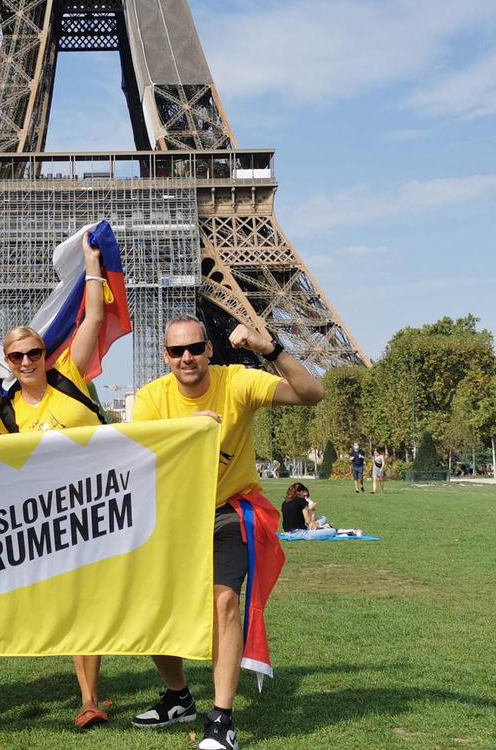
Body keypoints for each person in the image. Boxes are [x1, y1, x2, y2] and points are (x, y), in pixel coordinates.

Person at [130, 316, 324, 750]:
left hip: (229, 510)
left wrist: (267, 349)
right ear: (165, 356)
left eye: (195, 348)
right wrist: (186, 431)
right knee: (153, 608)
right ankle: (178, 696)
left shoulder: (237, 381)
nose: (187, 357)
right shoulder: (150, 399)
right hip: (173, 516)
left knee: (224, 604)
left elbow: (313, 393)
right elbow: (136, 462)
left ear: (210, 350)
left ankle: (222, 719)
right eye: (177, 351)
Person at [0, 232, 110, 730]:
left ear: (46, 354)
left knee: (86, 606)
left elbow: (96, 318)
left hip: (90, 507)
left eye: (33, 353)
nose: (27, 361)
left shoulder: (71, 375)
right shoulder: (6, 409)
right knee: (61, 605)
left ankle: (89, 697)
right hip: (42, 519)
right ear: (8, 362)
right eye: (17, 356)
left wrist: (91, 266)